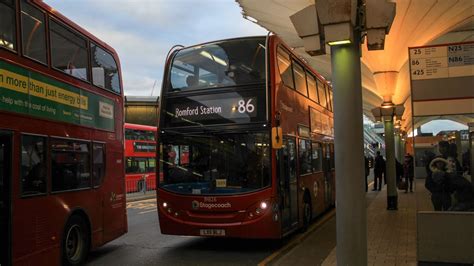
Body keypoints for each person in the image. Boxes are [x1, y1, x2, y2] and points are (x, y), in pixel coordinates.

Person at [425, 141, 452, 211]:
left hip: (446, 194)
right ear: (435, 163)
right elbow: (427, 183)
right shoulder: (432, 173)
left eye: (441, 162)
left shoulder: (447, 172)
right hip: (436, 195)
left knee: (447, 211)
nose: (439, 164)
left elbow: (451, 182)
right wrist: (434, 190)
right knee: (437, 210)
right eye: (438, 162)